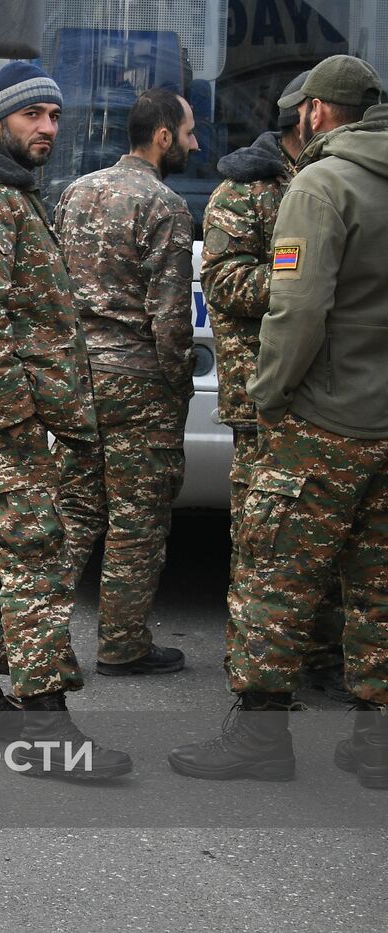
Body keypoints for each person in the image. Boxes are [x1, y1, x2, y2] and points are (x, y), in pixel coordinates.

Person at [170, 56, 388, 787]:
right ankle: (374, 743)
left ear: (317, 112)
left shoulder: (322, 184)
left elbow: (297, 311)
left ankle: (261, 739)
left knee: (274, 573)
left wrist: (269, 397)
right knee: (376, 585)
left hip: (323, 422)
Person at [0, 61, 130, 778]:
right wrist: (21, 420)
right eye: (33, 115)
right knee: (34, 556)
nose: (47, 128)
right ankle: (46, 724)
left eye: (55, 116)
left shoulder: (3, 189)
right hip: (4, 418)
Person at [202, 69, 351, 704]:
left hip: (324, 389)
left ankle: (318, 653)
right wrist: (303, 281)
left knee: (322, 534)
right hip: (260, 391)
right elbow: (225, 286)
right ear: (304, 119)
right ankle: (254, 667)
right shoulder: (244, 190)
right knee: (262, 539)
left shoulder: (335, 181)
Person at [52, 88, 197, 677]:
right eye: (188, 132)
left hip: (79, 380)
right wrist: (179, 384)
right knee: (137, 519)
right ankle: (123, 643)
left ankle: (39, 636)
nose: (194, 142)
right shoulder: (165, 207)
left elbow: (55, 290)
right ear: (162, 135)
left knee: (74, 511)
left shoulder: (75, 192)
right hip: (139, 386)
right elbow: (170, 318)